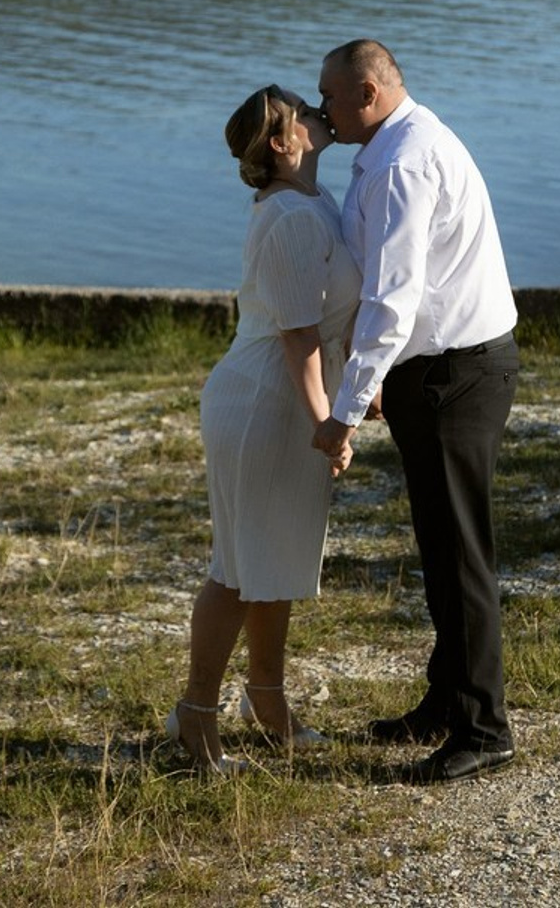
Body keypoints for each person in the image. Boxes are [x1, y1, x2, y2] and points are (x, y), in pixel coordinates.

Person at [311, 39, 520, 785]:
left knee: (460, 553)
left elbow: (392, 301)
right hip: (438, 371)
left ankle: (483, 727)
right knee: (441, 545)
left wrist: (345, 405)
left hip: (453, 375)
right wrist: (374, 386)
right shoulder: (400, 142)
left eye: (330, 97)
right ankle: (447, 698)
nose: (322, 111)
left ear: (367, 92)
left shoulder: (402, 164)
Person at [167, 84, 362, 774]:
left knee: (274, 562)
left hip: (287, 399)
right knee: (238, 569)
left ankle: (267, 698)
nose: (318, 112)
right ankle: (195, 715)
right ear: (284, 144)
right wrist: (329, 422)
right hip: (262, 403)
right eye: (305, 112)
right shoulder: (291, 218)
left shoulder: (317, 202)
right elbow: (298, 334)